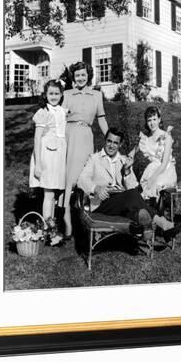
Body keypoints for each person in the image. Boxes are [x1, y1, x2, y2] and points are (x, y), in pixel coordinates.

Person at [77, 127, 181, 242]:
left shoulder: (123, 160)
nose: (111, 145)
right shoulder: (94, 159)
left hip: (122, 203)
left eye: (115, 143)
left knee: (136, 204)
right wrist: (96, 188)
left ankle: (146, 226)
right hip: (102, 204)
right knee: (131, 195)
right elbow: (82, 179)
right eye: (109, 141)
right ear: (105, 140)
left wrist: (127, 171)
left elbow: (133, 187)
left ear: (120, 145)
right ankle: (162, 224)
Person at [60, 61, 109, 238]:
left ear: (88, 75)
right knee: (69, 182)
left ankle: (91, 223)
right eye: (77, 75)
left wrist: (110, 137)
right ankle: (67, 225)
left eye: (83, 74)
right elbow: (59, 118)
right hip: (69, 137)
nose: (80, 78)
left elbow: (101, 118)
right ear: (73, 77)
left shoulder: (97, 95)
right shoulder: (66, 94)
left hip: (86, 137)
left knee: (87, 179)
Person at [29, 79, 67, 244]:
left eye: (57, 93)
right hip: (46, 156)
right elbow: (37, 139)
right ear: (45, 95)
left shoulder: (61, 111)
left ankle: (49, 226)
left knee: (54, 194)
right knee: (48, 193)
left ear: (61, 95)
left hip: (58, 156)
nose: (53, 96)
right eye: (50, 93)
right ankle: (49, 230)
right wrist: (38, 164)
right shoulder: (43, 113)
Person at [138, 106, 178, 202]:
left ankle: (161, 210)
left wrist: (152, 178)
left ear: (159, 120)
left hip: (166, 169)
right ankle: (151, 210)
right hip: (153, 168)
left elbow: (164, 163)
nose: (152, 123)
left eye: (155, 119)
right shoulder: (146, 138)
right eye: (149, 120)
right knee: (146, 187)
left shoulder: (166, 136)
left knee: (156, 184)